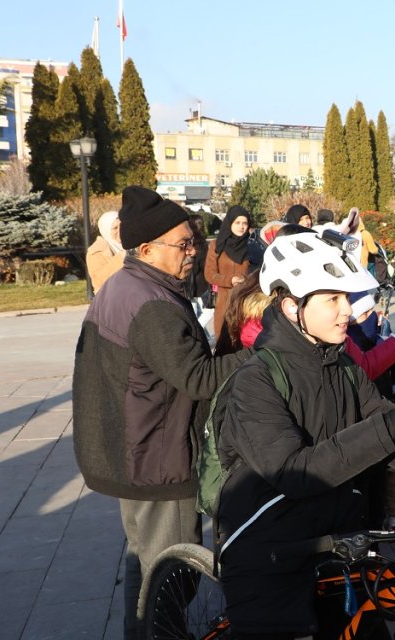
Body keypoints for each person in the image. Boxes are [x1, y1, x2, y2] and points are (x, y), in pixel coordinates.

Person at [213, 230, 395, 639]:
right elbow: (295, 472)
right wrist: (394, 426)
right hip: (271, 550)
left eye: (346, 298)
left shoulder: (342, 365)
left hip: (338, 541)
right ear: (291, 306)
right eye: (332, 299)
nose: (346, 310)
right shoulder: (256, 380)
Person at [72, 186, 252, 640]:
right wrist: (261, 353)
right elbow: (199, 379)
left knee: (147, 563)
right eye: (184, 244)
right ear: (147, 248)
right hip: (154, 456)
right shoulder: (150, 303)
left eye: (194, 241)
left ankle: (147, 632)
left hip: (135, 448)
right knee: (171, 570)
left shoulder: (131, 285)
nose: (193, 252)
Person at [205, 205, 252, 335]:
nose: (241, 227)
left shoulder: (251, 246)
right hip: (224, 301)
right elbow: (209, 273)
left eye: (245, 223)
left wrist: (247, 281)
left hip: (245, 302)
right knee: (223, 342)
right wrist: (230, 280)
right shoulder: (217, 244)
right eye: (237, 222)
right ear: (230, 222)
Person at [86, 210, 124, 292]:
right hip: (111, 297)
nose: (120, 230)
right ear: (106, 230)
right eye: (115, 228)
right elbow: (98, 281)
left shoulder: (133, 243)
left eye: (122, 225)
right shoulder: (96, 251)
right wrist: (121, 257)